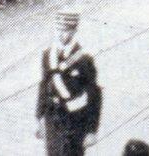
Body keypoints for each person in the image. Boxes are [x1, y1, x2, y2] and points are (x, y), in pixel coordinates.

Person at [36, 9, 101, 155]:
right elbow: (44, 85)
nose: (62, 34)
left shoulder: (84, 60)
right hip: (53, 118)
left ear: (74, 31)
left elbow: (94, 94)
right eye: (59, 29)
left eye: (66, 30)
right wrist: (40, 116)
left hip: (76, 119)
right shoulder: (48, 55)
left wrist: (91, 130)